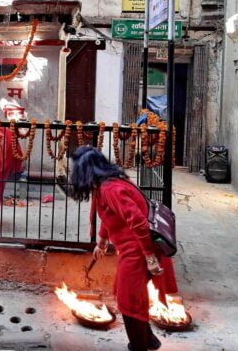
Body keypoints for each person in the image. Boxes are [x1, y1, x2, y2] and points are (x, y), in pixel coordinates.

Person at [68, 146, 176, 351]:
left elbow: (138, 222)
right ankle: (149, 340)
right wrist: (102, 241)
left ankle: (139, 345)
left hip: (139, 250)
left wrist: (150, 259)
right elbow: (109, 215)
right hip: (134, 250)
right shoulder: (108, 183)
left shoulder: (111, 189)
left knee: (129, 303)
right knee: (126, 295)